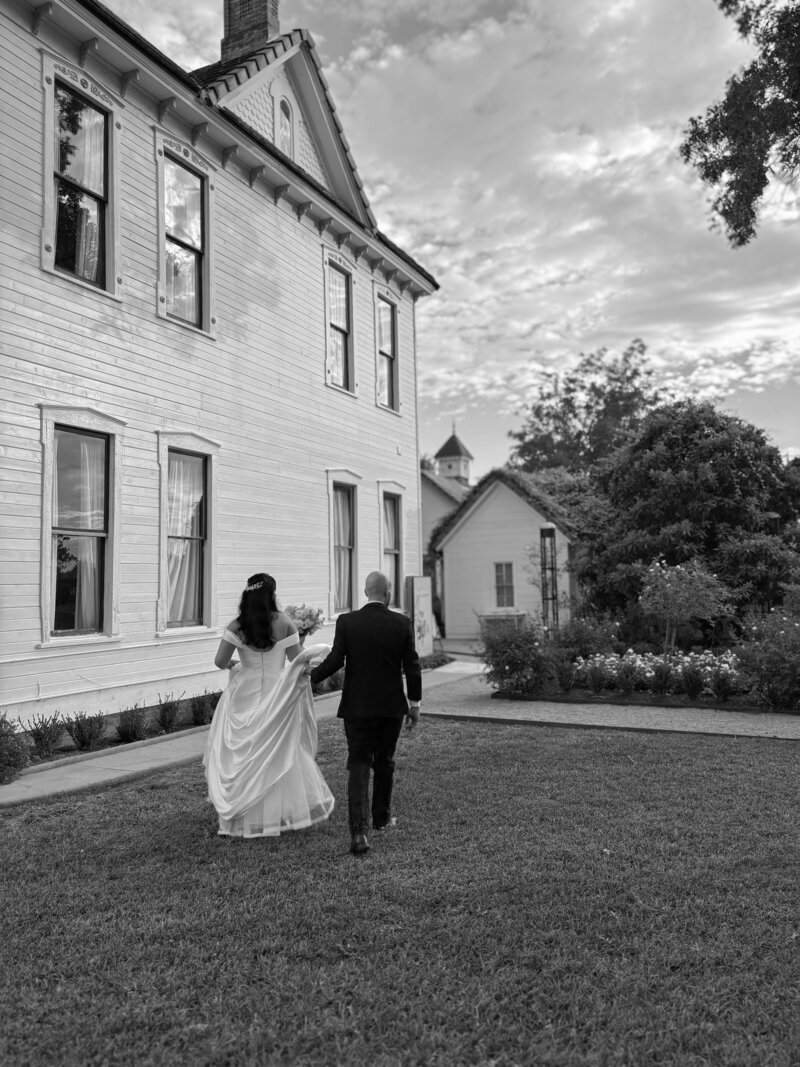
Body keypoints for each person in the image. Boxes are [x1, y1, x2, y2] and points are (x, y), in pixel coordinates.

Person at [204, 573, 334, 839]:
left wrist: (234, 665)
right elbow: (297, 661)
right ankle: (277, 812)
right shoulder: (285, 623)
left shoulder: (236, 625)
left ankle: (242, 809)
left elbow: (220, 661)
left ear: (247, 595)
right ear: (272, 595)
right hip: (277, 693)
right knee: (278, 749)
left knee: (244, 749)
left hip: (244, 694)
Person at [308, 571, 422, 856]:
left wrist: (310, 676)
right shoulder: (402, 623)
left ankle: (359, 832)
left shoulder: (348, 621)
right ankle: (382, 819)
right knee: (384, 760)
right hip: (390, 707)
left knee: (358, 763)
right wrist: (415, 704)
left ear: (365, 591)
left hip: (357, 707)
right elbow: (412, 666)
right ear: (388, 592)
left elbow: (335, 659)